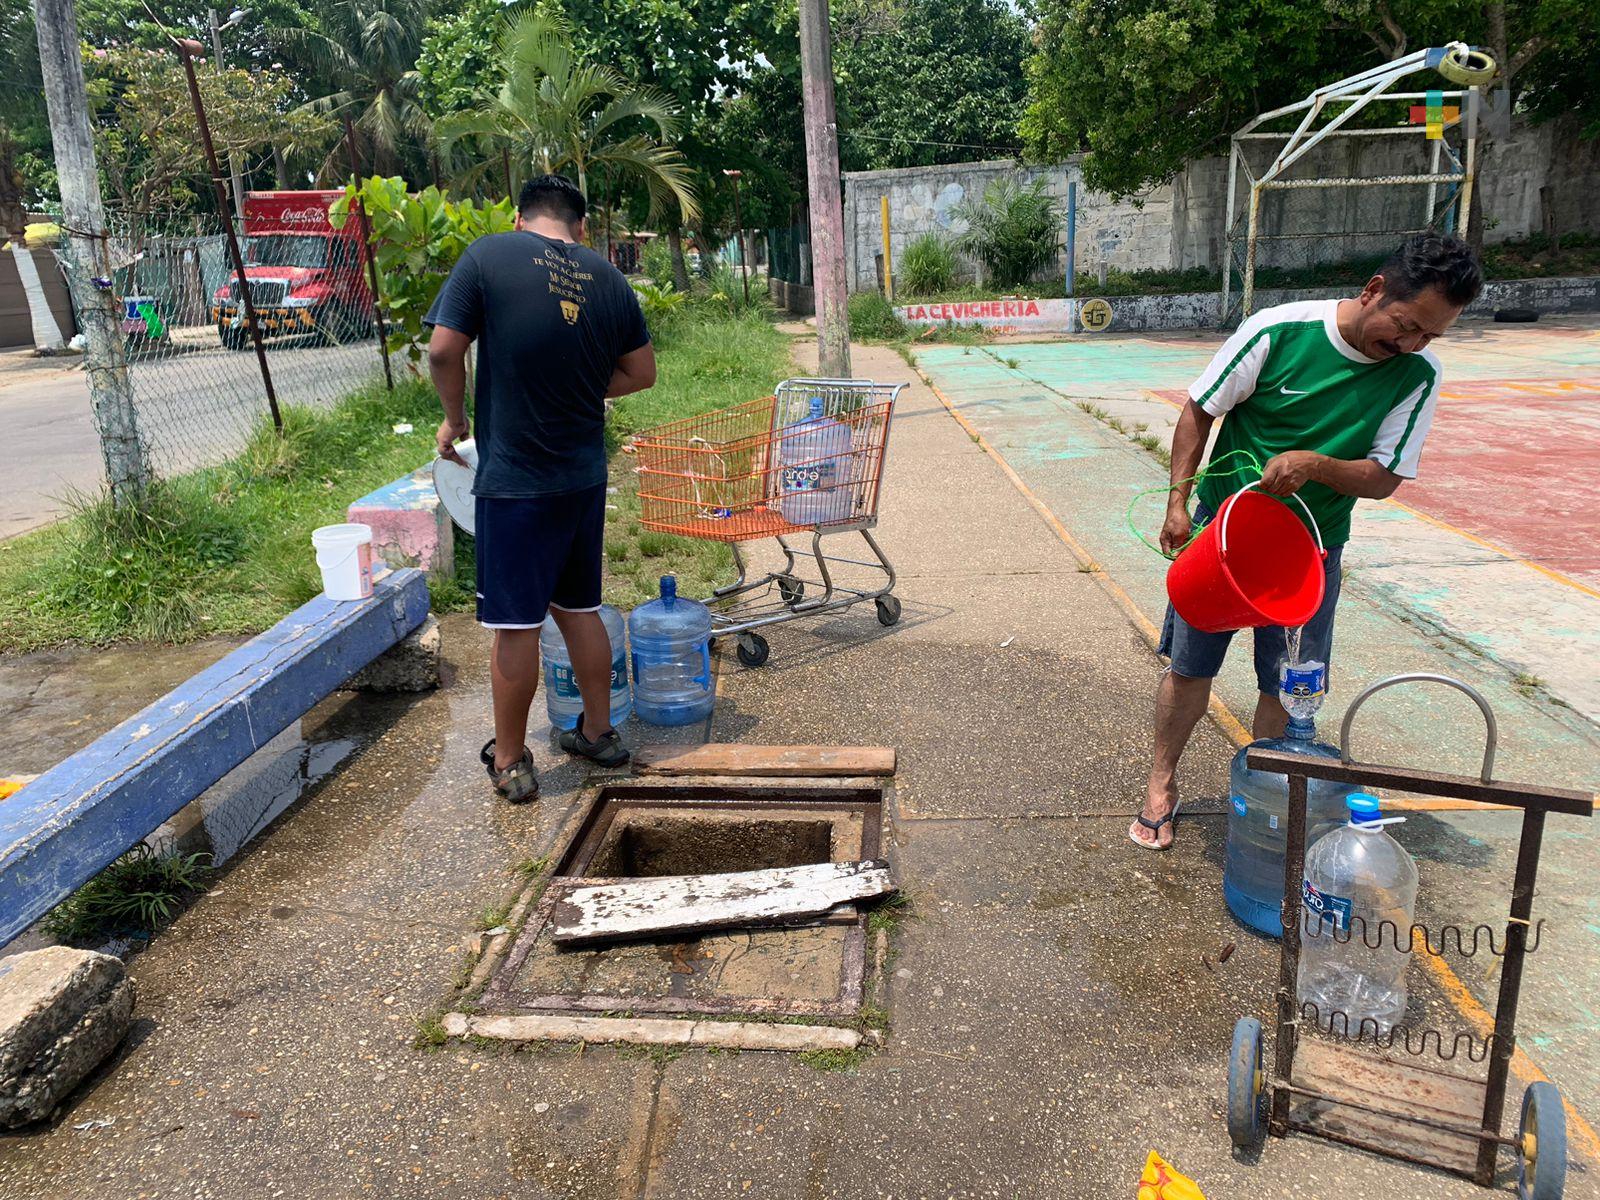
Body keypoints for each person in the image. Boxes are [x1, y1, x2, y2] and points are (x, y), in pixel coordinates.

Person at [1132, 233, 1483, 850]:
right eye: (1404, 325)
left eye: (1430, 335)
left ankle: (1261, 803)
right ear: (1373, 291)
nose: (1410, 344)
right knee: (1190, 669)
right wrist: (1178, 502)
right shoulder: (1278, 331)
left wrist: (1317, 465)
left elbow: (1383, 477)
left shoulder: (1417, 376)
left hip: (1310, 554)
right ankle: (1160, 784)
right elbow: (1199, 410)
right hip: (1223, 539)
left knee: (1288, 686)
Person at [426, 174, 657, 803]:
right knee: (578, 608)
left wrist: (456, 419)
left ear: (521, 218)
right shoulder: (607, 277)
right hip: (582, 478)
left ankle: (508, 759)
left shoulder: (488, 256)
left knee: (516, 623)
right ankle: (600, 734)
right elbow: (642, 372)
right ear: (579, 227)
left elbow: (444, 351)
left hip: (517, 482)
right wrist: (583, 390)